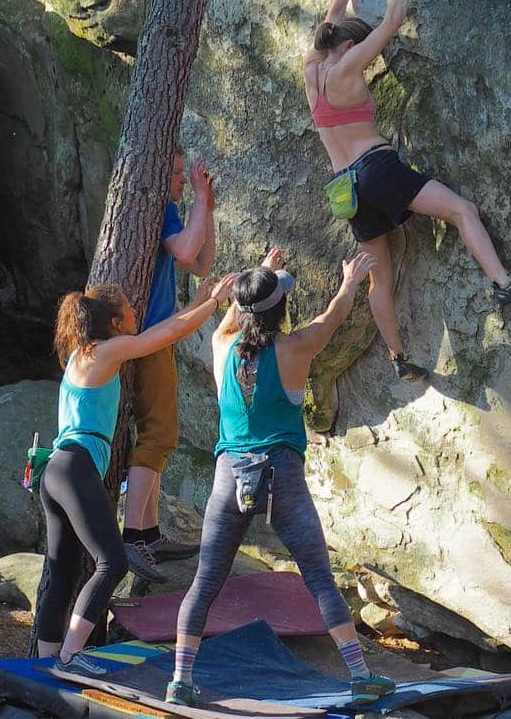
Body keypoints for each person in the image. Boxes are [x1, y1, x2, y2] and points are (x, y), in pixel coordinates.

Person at [303, 0, 511, 382]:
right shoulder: (347, 66)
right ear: (349, 48)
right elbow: (392, 23)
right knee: (462, 210)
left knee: (380, 274)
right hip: (376, 169)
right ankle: (504, 284)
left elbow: (331, 16)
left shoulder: (312, 70)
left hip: (345, 191)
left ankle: (398, 357)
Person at [168, 248, 396, 708]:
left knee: (207, 579)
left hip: (230, 475)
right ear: (281, 311)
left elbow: (238, 315)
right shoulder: (295, 349)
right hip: (281, 474)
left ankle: (180, 678)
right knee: (318, 578)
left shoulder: (221, 344)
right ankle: (359, 675)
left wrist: (263, 274)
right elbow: (335, 316)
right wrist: (350, 281)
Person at [39, 274, 233, 676]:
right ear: (114, 322)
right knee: (112, 563)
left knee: (64, 569)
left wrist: (196, 299)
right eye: (129, 310)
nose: (135, 314)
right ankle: (71, 657)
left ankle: (44, 660)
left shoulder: (81, 354)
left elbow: (164, 329)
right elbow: (165, 336)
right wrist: (213, 303)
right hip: (74, 469)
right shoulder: (108, 351)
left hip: (55, 469)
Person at [123, 149, 216, 582]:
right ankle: (132, 538)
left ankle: (150, 532)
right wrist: (198, 199)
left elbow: (201, 262)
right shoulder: (158, 206)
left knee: (161, 434)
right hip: (150, 335)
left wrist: (207, 209)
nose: (183, 179)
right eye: (178, 173)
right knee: (158, 434)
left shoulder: (165, 208)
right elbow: (183, 254)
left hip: (156, 333)